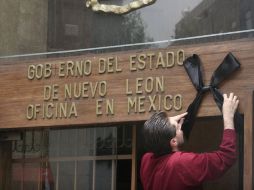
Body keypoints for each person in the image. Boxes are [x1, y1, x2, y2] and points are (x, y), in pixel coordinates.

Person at [140, 93, 239, 190]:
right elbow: (226, 157)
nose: (180, 126)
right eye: (178, 127)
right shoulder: (181, 163)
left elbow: (152, 134)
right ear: (173, 141)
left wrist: (168, 123)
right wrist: (228, 117)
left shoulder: (146, 160)